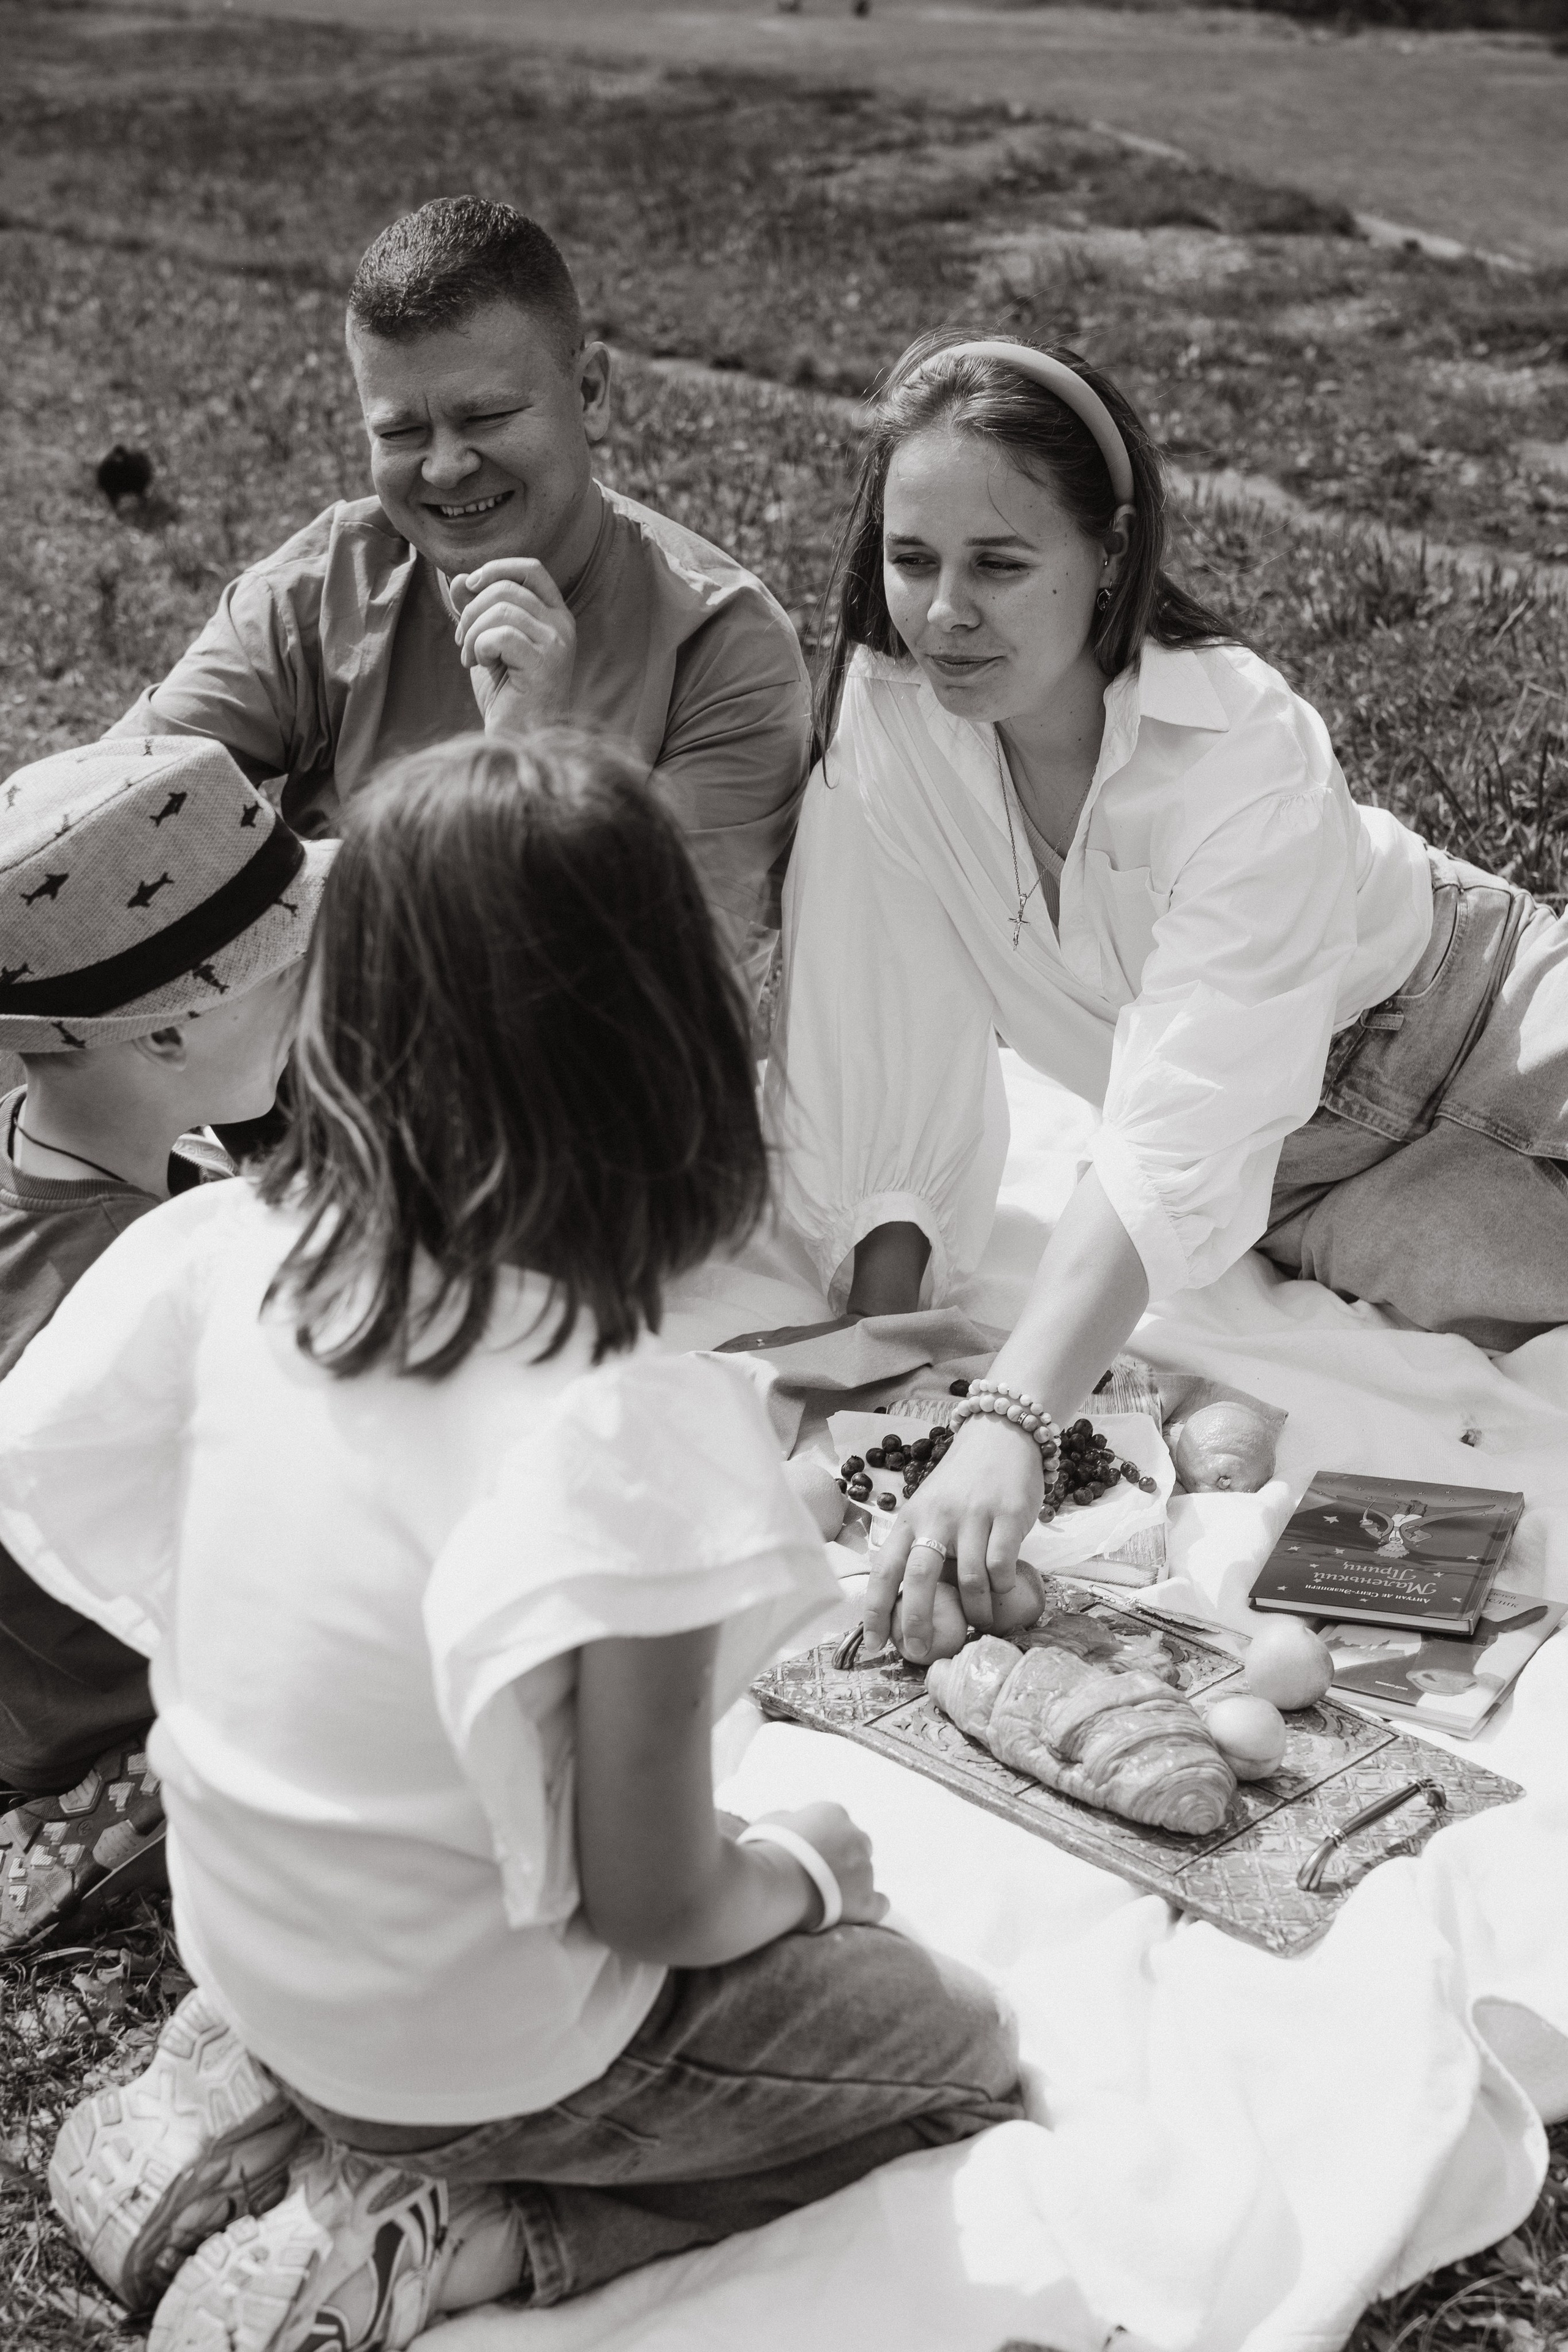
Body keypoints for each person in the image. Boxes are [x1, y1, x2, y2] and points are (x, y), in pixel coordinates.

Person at [9, 733, 1022, 2348]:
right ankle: (455, 2231)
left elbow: (60, 1477)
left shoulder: (214, 1246)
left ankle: (239, 2092)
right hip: (470, 2047)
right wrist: (805, 1878)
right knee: (956, 2049)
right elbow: (653, 1905)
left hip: (250, 1930)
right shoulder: (628, 1430)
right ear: (678, 1042)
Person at [761, 331, 1568, 1665]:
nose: (944, 611)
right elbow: (866, 1013)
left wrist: (1010, 1416)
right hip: (1317, 1197)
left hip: (1482, 1025)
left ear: (1113, 555)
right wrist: (887, 1358)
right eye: (912, 560)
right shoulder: (888, 714)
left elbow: (1183, 1110)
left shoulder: (1239, 744)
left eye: (999, 564)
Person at [106, 195, 812, 1003]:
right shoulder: (324, 586)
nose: (443, 468)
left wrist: (526, 761)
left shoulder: (721, 643)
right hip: (310, 1092)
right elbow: (100, 823)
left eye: (487, 416)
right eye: (401, 432)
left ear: (590, 390)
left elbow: (640, 988)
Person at [0, 735, 330, 1950]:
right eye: (290, 972)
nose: (315, 994)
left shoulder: (58, 1157)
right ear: (174, 1033)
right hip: (107, 1727)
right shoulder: (120, 1289)